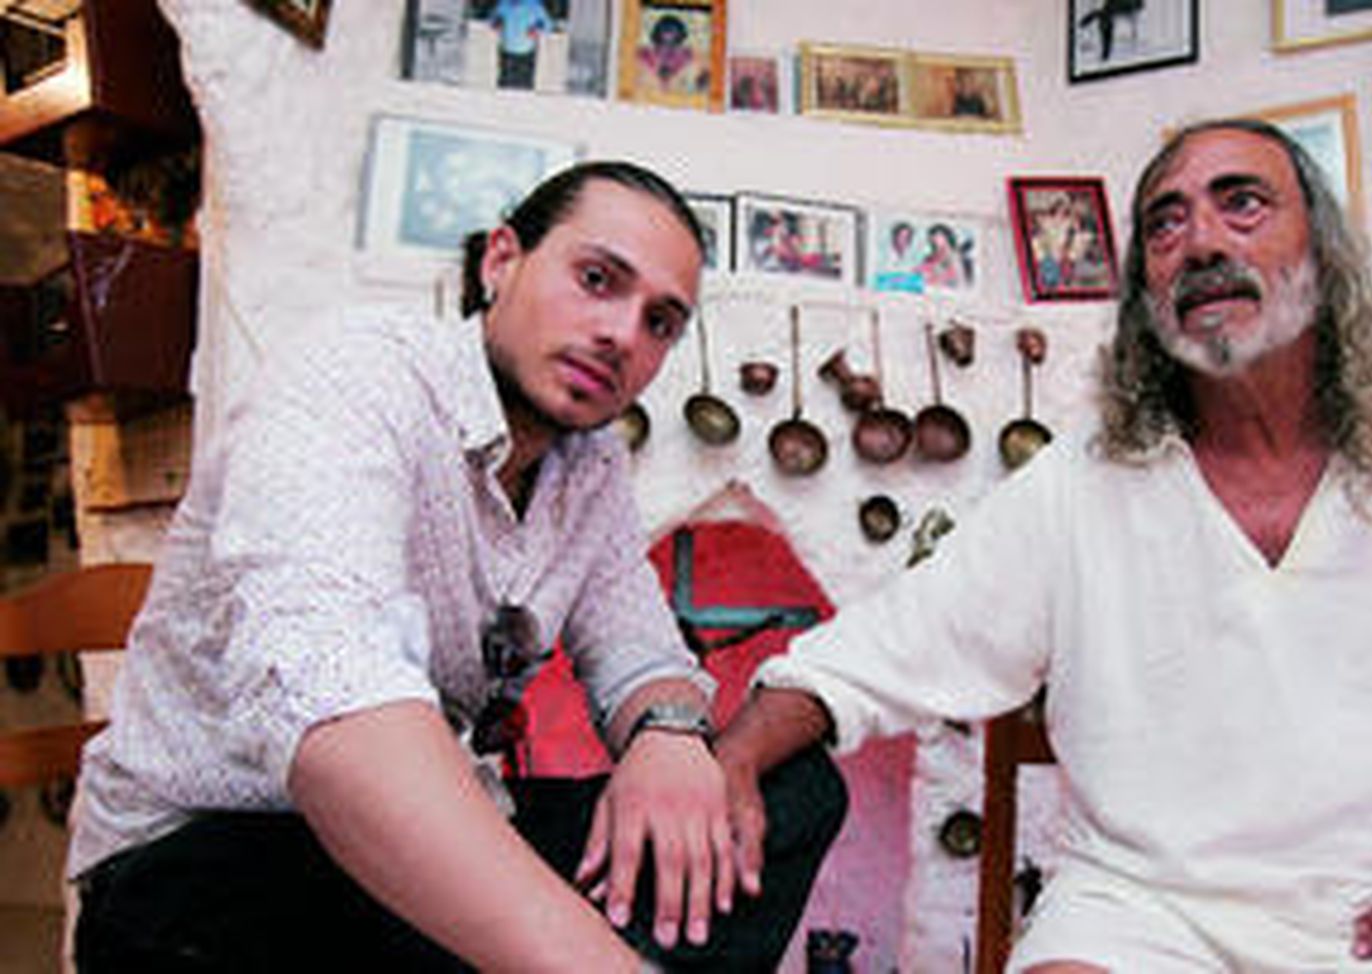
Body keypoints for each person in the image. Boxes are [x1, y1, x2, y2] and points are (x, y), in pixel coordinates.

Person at [713, 119, 1372, 972]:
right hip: (1135, 913)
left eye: (1242, 203)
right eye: (1166, 223)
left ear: (1323, 255)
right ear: (1145, 294)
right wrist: (733, 759)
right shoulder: (1082, 484)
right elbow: (882, 652)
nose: (1201, 241)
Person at [69, 161, 845, 972]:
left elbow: (641, 653)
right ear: (501, 260)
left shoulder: (591, 468)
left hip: (418, 846)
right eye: (596, 279)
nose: (622, 334)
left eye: (659, 322)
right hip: (205, 866)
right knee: (466, 901)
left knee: (786, 792)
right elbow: (337, 714)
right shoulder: (356, 376)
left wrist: (668, 734)